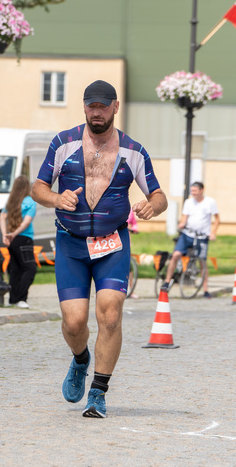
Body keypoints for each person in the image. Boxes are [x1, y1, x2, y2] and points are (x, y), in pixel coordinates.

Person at [31, 79, 167, 418]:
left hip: (112, 244)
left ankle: (98, 392)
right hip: (71, 244)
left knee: (109, 314)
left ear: (115, 108)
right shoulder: (63, 143)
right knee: (74, 322)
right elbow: (37, 188)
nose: (96, 113)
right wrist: (56, 198)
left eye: (102, 107)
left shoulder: (133, 150)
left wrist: (154, 206)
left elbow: (159, 195)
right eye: (91, 106)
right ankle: (80, 360)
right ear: (84, 107)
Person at [163, 181, 219, 298]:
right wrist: (182, 224)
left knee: (202, 262)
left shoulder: (210, 202)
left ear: (201, 190)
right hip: (187, 234)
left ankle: (205, 289)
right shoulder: (188, 202)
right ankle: (167, 281)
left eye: (195, 190)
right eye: (191, 190)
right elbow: (185, 217)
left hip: (202, 236)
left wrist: (213, 233)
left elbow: (217, 219)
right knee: (175, 255)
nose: (192, 193)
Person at [0, 176, 38, 309]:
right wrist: (14, 234)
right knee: (30, 268)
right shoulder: (30, 201)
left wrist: (6, 235)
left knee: (15, 269)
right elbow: (26, 222)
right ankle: (21, 298)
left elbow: (2, 217)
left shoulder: (12, 201)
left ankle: (12, 298)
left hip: (12, 240)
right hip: (24, 238)